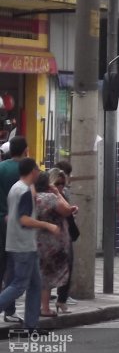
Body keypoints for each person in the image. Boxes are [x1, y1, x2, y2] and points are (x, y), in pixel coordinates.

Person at [0, 158, 59, 332]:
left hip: (19, 243)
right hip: (23, 244)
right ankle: (30, 324)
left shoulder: (16, 188)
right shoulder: (24, 191)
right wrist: (47, 225)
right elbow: (24, 219)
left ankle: (31, 325)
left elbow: (12, 215)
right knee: (19, 285)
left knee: (35, 284)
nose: (40, 173)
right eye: (38, 170)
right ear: (33, 171)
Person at [34, 169, 75, 316]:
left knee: (39, 275)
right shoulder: (51, 198)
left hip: (36, 239)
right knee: (48, 276)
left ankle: (36, 308)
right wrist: (58, 194)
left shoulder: (33, 197)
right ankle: (45, 308)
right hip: (52, 242)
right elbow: (67, 210)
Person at [0, 136, 28, 323]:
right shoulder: (26, 170)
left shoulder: (1, 168)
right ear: (25, 150)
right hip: (17, 223)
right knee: (12, 266)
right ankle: (9, 310)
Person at [53, 160, 78, 309]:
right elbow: (66, 210)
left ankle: (58, 299)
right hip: (60, 234)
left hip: (56, 234)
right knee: (66, 265)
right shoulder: (58, 193)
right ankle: (61, 298)